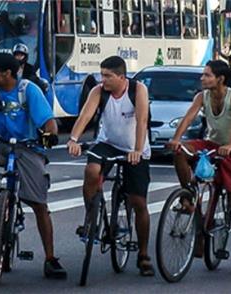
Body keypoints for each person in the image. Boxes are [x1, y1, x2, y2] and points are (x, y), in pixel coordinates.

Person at [0, 53, 65, 278]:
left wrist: (49, 136)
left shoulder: (29, 91)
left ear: (6, 73)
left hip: (28, 147)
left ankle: (50, 258)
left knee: (39, 205)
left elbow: (48, 121)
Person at [67, 56, 155, 276]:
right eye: (101, 74)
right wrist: (73, 139)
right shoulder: (99, 91)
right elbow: (86, 115)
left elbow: (142, 120)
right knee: (91, 171)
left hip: (135, 147)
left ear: (121, 77)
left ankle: (143, 255)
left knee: (138, 202)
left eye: (107, 76)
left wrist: (136, 150)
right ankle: (91, 218)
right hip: (108, 143)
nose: (102, 79)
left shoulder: (138, 89)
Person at [166, 60, 231, 275]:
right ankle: (188, 196)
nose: (202, 78)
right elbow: (188, 117)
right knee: (181, 152)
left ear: (220, 79)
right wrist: (176, 139)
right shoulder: (201, 96)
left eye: (207, 75)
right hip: (211, 145)